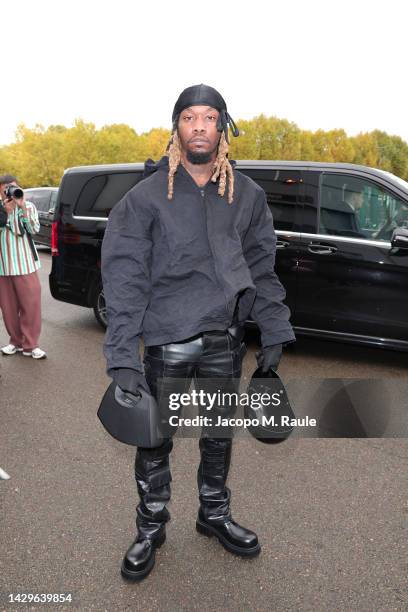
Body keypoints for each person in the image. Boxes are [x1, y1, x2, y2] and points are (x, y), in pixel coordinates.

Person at [101, 84, 295, 581]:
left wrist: (273, 330)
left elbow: (262, 267)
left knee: (217, 434)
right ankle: (150, 526)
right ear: (177, 128)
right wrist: (122, 356)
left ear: (223, 128)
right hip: (167, 339)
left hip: (224, 339)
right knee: (156, 438)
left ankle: (213, 514)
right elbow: (123, 279)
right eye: (190, 117)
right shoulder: (145, 199)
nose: (200, 126)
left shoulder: (246, 196)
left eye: (210, 117)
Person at [0, 175, 46, 359]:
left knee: (31, 306)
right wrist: (8, 213)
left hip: (25, 265)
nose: (9, 192)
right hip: (3, 267)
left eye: (13, 187)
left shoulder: (29, 206)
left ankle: (31, 345)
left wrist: (21, 209)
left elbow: (34, 229)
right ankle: (15, 342)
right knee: (8, 308)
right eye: (5, 189)